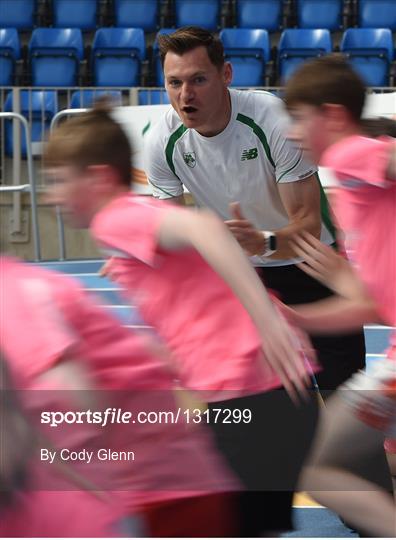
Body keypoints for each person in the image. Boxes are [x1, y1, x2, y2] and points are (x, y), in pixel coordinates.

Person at [44, 102, 319, 536]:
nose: (51, 195)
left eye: (59, 181)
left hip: (249, 403)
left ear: (97, 177)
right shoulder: (139, 224)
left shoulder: (116, 220)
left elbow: (207, 230)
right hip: (279, 397)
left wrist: (265, 319)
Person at [144, 26, 366, 394]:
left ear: (226, 74)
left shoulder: (270, 119)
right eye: (174, 83)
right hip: (245, 276)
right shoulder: (161, 142)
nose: (186, 96)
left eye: (198, 80)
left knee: (347, 396)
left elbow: (308, 225)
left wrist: (261, 242)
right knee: (274, 405)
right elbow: (172, 233)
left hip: (313, 265)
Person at [0, 255, 240, 537]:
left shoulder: (12, 293)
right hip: (147, 486)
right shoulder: (25, 286)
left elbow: (75, 402)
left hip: (151, 495)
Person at [283, 54, 396, 536]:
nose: (290, 133)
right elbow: (369, 306)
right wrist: (294, 318)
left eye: (298, 118)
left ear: (331, 115)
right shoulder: (350, 189)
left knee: (318, 467)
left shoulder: (349, 155)